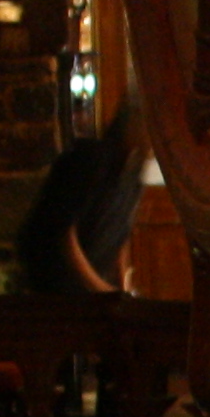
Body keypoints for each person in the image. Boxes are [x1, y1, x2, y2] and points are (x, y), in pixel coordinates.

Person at [17, 121, 146, 297]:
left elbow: (121, 237)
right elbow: (65, 233)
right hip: (54, 277)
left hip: (88, 283)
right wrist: (102, 289)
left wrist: (123, 287)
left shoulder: (133, 176)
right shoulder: (91, 159)